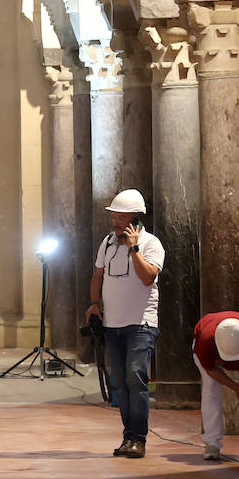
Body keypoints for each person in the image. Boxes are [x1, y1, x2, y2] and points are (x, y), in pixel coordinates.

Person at [84, 188, 165, 459]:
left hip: (141, 324)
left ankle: (138, 438)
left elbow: (147, 277)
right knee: (120, 382)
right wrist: (95, 304)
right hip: (112, 325)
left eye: (120, 218)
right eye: (114, 217)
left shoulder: (151, 243)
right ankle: (128, 436)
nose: (115, 222)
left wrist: (133, 249)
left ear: (135, 219)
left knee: (135, 376)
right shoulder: (107, 243)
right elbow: (98, 276)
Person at [192, 312, 239, 461]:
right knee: (210, 390)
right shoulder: (206, 341)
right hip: (207, 351)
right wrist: (237, 388)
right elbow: (210, 369)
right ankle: (212, 442)